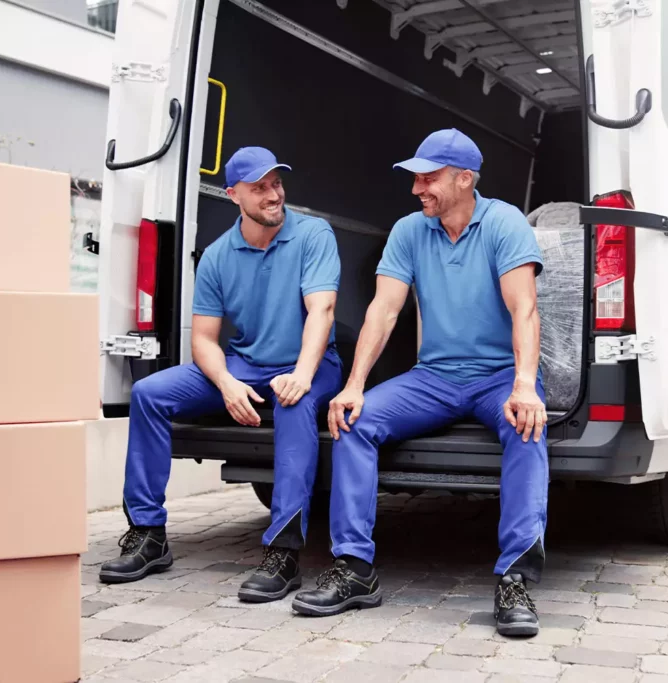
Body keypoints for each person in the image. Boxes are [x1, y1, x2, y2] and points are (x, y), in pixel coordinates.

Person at [291, 129, 549, 637]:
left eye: (428, 179)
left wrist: (524, 383)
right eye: (415, 179)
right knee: (354, 421)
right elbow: (384, 310)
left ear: (465, 179)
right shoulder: (410, 230)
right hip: (434, 377)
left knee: (526, 426)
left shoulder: (504, 223)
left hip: (499, 375)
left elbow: (524, 308)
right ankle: (354, 569)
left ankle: (515, 578)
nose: (416, 189)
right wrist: (354, 385)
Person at [99, 147, 343, 605]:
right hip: (244, 366)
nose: (273, 195)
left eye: (276, 183)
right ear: (233, 195)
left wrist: (301, 374)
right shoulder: (216, 256)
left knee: (292, 403)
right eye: (259, 188)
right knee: (149, 393)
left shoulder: (313, 235)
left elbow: (322, 310)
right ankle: (148, 535)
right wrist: (228, 384)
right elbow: (205, 340)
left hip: (311, 363)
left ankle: (283, 554)